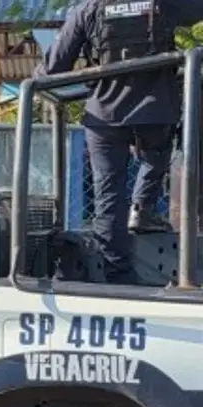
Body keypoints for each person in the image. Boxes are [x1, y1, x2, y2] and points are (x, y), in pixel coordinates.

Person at [35, 0, 203, 284]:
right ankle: (142, 209)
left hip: (105, 117)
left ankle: (117, 275)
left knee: (109, 196)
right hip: (155, 111)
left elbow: (55, 66)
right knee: (156, 156)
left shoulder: (88, 9)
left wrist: (35, 83)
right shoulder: (163, 3)